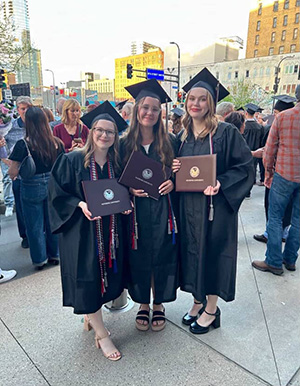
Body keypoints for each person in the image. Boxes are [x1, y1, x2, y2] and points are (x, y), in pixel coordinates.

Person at [172, 68, 254, 334]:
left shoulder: (226, 132)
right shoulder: (182, 136)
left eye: (202, 99)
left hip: (215, 209)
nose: (195, 103)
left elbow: (244, 167)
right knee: (193, 253)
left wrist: (222, 183)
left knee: (214, 254)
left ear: (211, 102)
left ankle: (211, 309)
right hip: (188, 209)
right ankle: (197, 301)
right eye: (191, 98)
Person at [48, 101, 129, 361]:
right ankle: (102, 334)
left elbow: (120, 194)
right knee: (88, 280)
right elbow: (56, 195)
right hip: (82, 233)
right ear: (91, 131)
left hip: (110, 232)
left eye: (110, 132)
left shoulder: (116, 163)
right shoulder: (72, 160)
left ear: (116, 137)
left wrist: (126, 205)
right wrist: (80, 203)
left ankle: (90, 319)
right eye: (100, 130)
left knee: (105, 278)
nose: (105, 135)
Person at [120, 79, 179, 332]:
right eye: (145, 107)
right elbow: (113, 178)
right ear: (136, 109)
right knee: (139, 256)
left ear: (160, 113)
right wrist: (128, 190)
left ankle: (159, 305)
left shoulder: (171, 142)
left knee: (162, 256)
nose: (150, 113)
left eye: (155, 109)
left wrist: (173, 184)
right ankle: (143, 302)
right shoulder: (123, 144)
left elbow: (181, 174)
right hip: (136, 214)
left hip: (163, 211)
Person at [252, 87, 300, 275]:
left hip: (284, 174)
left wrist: (268, 173)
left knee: (275, 217)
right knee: (298, 220)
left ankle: (273, 260)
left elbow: (270, 149)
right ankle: (290, 259)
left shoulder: (284, 117)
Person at [8, 107, 64, 269]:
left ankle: (40, 259)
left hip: (31, 186)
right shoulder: (56, 143)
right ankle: (55, 254)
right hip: (52, 185)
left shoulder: (23, 144)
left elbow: (13, 171)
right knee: (52, 222)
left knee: (34, 225)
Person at [3, 96, 33, 247]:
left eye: (28, 108)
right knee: (21, 207)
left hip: (35, 173)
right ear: (18, 110)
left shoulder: (37, 125)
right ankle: (25, 236)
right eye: (23, 108)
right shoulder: (11, 127)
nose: (26, 111)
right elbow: (2, 144)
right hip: (18, 174)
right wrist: (6, 161)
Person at [243, 103, 265, 195]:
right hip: (256, 151)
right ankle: (249, 190)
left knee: (244, 171)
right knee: (253, 169)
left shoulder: (243, 126)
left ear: (246, 113)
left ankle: (244, 191)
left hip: (245, 151)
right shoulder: (259, 127)